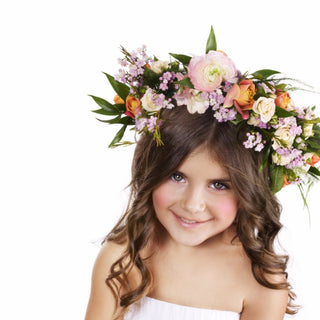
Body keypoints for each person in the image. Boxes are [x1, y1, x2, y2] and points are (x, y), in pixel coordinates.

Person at [85, 27, 320, 319]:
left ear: (250, 189)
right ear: (150, 171)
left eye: (219, 185)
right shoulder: (122, 259)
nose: (193, 204)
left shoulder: (262, 286)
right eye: (177, 176)